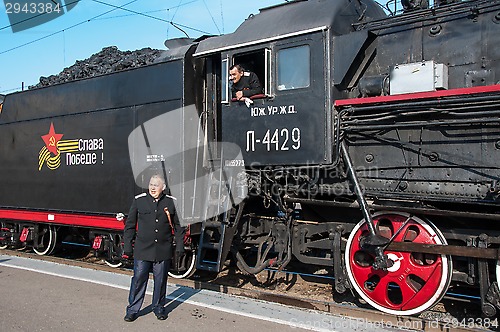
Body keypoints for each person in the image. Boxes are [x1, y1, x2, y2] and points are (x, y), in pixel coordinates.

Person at [122, 174, 185, 322]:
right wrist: (127, 246)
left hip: (162, 249)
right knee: (138, 279)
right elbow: (130, 225)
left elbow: (179, 227)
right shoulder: (139, 201)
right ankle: (133, 309)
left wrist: (180, 246)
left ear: (163, 188)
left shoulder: (171, 203)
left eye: (156, 185)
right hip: (142, 249)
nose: (152, 187)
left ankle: (158, 307)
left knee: (161, 280)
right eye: (151, 184)